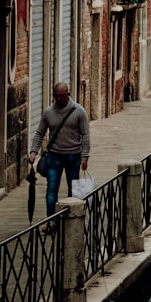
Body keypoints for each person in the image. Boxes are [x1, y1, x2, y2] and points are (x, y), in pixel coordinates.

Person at [28, 82, 91, 229]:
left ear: (68, 94)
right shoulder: (48, 112)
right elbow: (39, 133)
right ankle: (52, 222)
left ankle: (72, 221)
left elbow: (85, 134)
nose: (59, 99)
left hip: (74, 156)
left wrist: (85, 156)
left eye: (62, 96)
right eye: (57, 96)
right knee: (51, 190)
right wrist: (33, 152)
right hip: (54, 156)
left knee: (73, 190)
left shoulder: (79, 111)